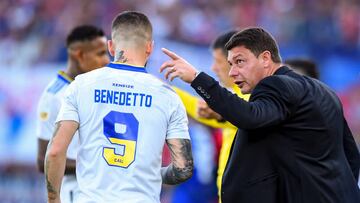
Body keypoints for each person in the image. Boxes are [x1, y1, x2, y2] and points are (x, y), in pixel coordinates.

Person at [160, 27, 360, 202]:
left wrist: (197, 78)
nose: (232, 72)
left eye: (240, 62)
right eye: (230, 64)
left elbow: (250, 116)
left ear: (265, 58)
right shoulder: (325, 91)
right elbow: (351, 154)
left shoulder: (275, 85)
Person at [44, 11, 193, 203]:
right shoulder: (168, 96)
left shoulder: (81, 85)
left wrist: (53, 199)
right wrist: (152, 175)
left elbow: (55, 151)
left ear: (111, 47)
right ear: (150, 47)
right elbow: (183, 169)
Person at [36, 25, 109, 203]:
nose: (107, 60)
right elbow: (42, 161)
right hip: (76, 192)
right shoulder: (54, 96)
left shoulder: (96, 87)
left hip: (105, 191)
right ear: (79, 55)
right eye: (100, 54)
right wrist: (97, 165)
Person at [172, 30, 249, 200]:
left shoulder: (251, 100)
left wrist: (165, 90)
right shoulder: (234, 99)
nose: (214, 67)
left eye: (218, 61)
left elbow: (231, 112)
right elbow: (201, 110)